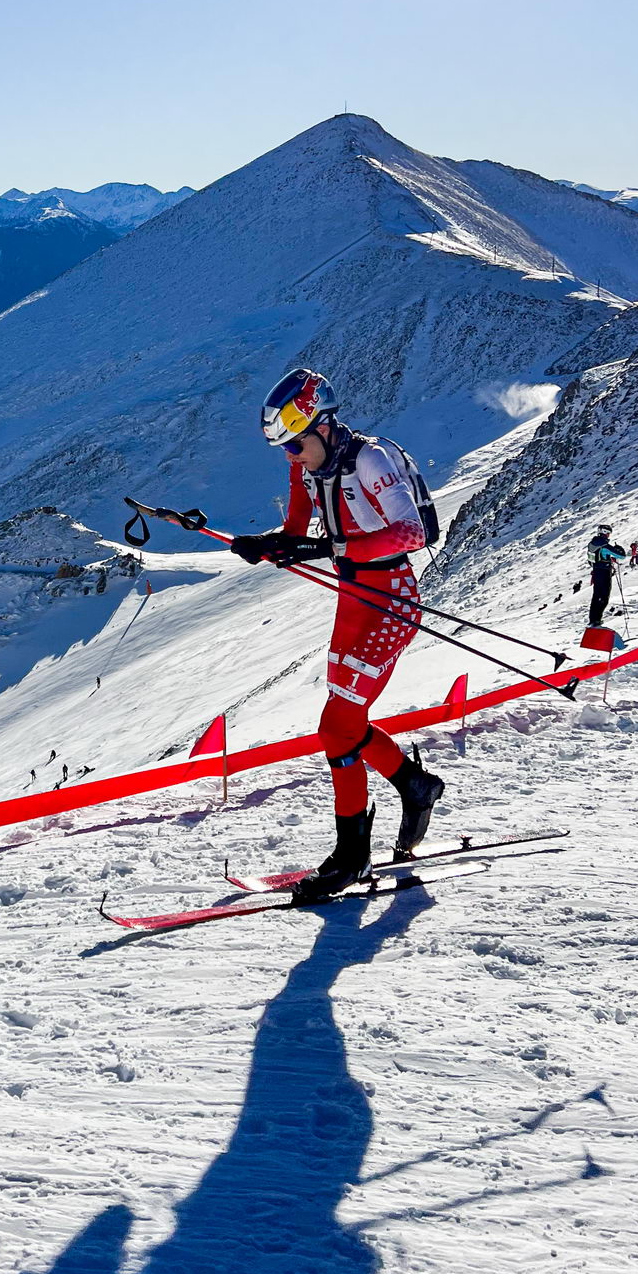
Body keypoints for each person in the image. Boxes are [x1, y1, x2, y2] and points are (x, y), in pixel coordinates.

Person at [230, 368, 443, 899]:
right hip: (353, 600)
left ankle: (352, 855)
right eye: (284, 448)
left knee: (337, 725)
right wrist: (265, 544)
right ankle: (415, 787)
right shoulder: (305, 467)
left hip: (391, 601)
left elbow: (411, 532)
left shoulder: (371, 459)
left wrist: (331, 550)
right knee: (343, 723)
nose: (291, 456)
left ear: (323, 427)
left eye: (296, 443)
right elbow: (297, 533)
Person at [586, 525, 626, 626]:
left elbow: (592, 559)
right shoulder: (604, 545)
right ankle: (597, 620)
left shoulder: (592, 544)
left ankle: (593, 619)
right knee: (604, 596)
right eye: (608, 533)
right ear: (604, 532)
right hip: (604, 572)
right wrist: (619, 548)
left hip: (596, 571)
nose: (609, 535)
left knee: (596, 596)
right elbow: (621, 556)